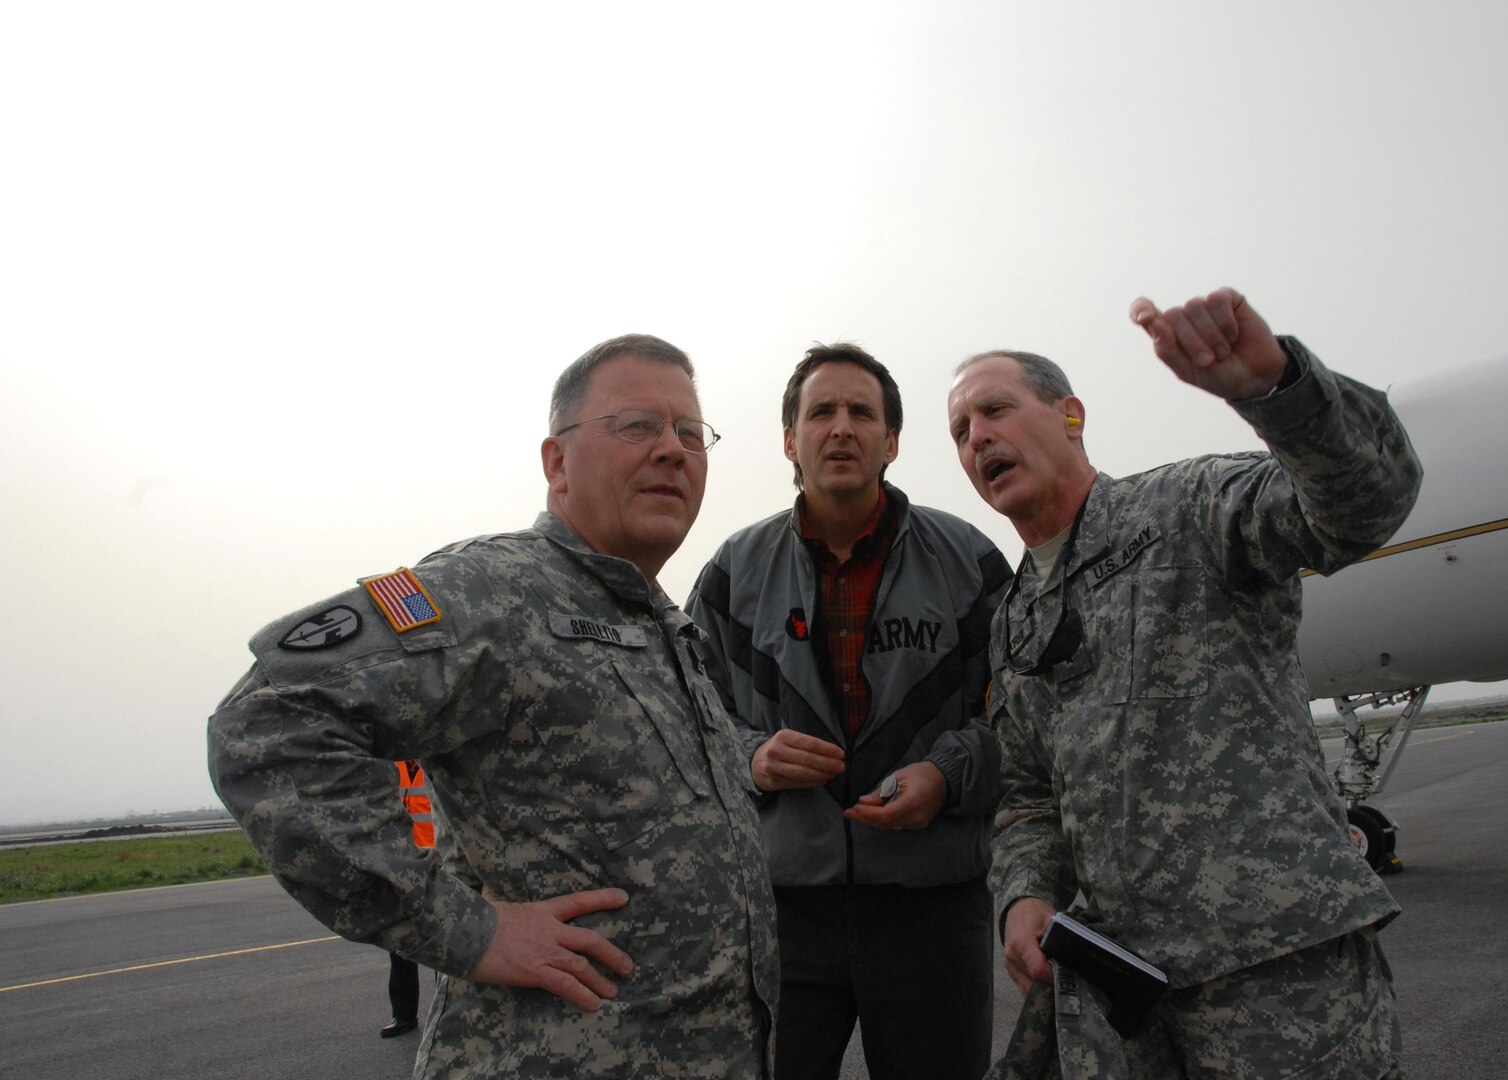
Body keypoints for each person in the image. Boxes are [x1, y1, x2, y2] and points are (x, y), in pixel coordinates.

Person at [207, 334, 779, 1079]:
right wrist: (465, 929)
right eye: (637, 425)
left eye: (691, 433)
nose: (673, 450)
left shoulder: (664, 626)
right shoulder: (494, 592)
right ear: (557, 462)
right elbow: (267, 720)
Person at [946, 288, 1421, 1078]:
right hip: (1124, 994)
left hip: (1276, 974)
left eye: (995, 409)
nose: (977, 437)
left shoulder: (1186, 510)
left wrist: (1275, 388)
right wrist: (1024, 894)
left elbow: (1363, 506)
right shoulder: (1016, 619)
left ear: (1070, 415)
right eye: (961, 431)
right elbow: (1029, 789)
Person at [686, 343, 1012, 1080]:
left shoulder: (969, 562)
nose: (841, 428)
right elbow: (687, 724)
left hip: (934, 909)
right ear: (788, 440)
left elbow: (1029, 726)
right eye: (820, 412)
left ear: (891, 441)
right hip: (781, 911)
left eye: (861, 412)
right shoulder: (732, 575)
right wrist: (751, 758)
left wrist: (949, 774)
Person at [383, 760, 437, 1039]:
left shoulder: (438, 762)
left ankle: (448, 1010)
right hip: (406, 864)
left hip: (441, 864)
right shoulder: (394, 767)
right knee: (401, 941)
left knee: (446, 938)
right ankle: (403, 1015)